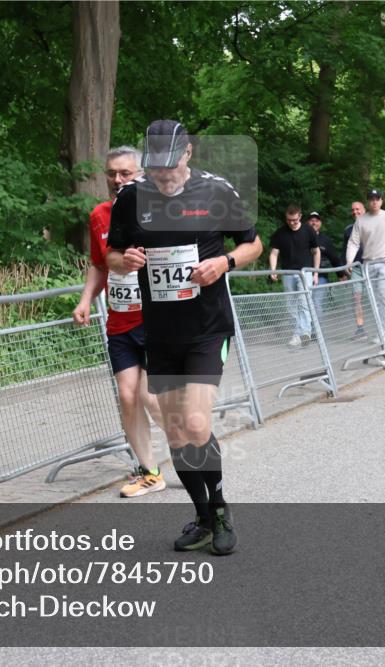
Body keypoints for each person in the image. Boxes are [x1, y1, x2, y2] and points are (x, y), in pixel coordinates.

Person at [107, 119, 263, 555]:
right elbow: (112, 255)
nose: (163, 176)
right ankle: (203, 514)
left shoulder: (216, 191)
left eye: (171, 166)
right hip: (158, 330)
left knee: (196, 422)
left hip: (207, 329)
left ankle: (219, 509)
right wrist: (127, 260)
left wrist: (225, 263)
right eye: (155, 168)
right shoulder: (132, 199)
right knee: (176, 433)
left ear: (188, 153)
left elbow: (253, 243)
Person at [72, 146, 166, 498]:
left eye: (125, 173)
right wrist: (85, 300)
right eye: (112, 173)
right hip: (120, 323)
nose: (117, 180)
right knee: (127, 397)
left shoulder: (160, 212)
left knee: (151, 398)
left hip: (156, 320)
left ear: (142, 174)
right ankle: (151, 472)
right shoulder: (99, 215)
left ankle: (194, 449)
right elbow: (98, 263)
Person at [345, 189, 385, 344]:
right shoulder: (361, 221)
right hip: (368, 263)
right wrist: (349, 261)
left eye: (377, 198)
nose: (374, 201)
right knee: (373, 300)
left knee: (384, 296)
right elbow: (353, 242)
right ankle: (380, 331)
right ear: (368, 201)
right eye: (371, 199)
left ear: (381, 200)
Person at [269, 204, 320, 347]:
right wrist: (273, 270)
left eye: (294, 220)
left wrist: (316, 273)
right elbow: (274, 253)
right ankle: (296, 334)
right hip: (287, 273)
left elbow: (316, 252)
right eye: (289, 220)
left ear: (300, 217)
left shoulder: (308, 231)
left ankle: (305, 332)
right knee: (291, 305)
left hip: (305, 272)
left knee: (304, 302)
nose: (291, 223)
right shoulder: (280, 233)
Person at [307, 211, 343, 324]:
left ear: (320, 223)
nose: (314, 223)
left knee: (316, 302)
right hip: (303, 275)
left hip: (321, 276)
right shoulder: (301, 236)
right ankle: (305, 331)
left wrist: (341, 274)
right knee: (305, 303)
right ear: (307, 222)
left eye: (316, 221)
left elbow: (334, 258)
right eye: (312, 220)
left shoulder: (325, 240)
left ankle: (316, 332)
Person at [343, 202, 368, 340]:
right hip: (356, 268)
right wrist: (344, 269)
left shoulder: (373, 224)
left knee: (377, 296)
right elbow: (344, 250)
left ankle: (382, 328)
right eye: (352, 210)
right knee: (356, 298)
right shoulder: (348, 229)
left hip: (372, 266)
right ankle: (360, 329)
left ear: (364, 210)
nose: (355, 212)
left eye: (357, 209)